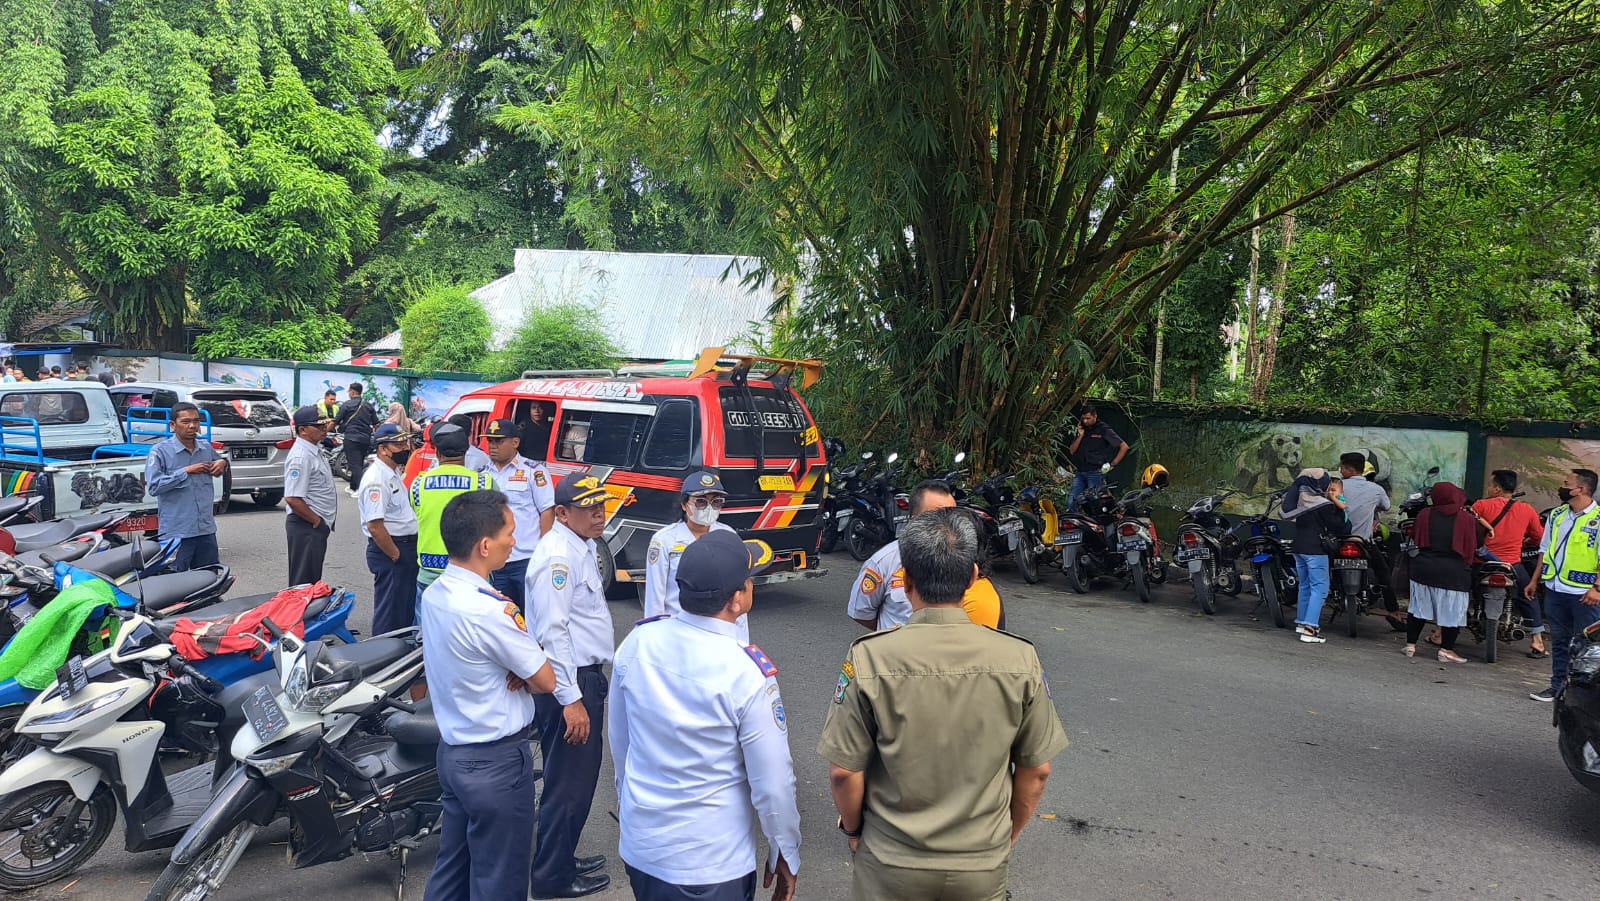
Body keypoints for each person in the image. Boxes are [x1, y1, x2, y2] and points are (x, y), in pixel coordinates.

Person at [819, 508, 1068, 901]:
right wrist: (1003, 840)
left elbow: (843, 773)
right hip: (980, 865)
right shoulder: (1019, 659)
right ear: (972, 578)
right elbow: (1037, 771)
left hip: (891, 862)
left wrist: (853, 832)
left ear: (906, 583)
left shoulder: (869, 659)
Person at [610, 531, 801, 901]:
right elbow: (774, 782)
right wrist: (785, 850)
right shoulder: (746, 673)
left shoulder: (638, 642)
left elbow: (622, 746)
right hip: (711, 861)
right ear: (736, 599)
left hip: (643, 847)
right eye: (749, 579)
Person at [419, 490, 558, 901]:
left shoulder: (437, 593)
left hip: (455, 753)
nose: (514, 541)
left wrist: (516, 669)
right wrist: (520, 669)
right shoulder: (489, 610)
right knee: (499, 881)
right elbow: (545, 679)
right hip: (496, 763)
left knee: (453, 868)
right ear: (484, 545)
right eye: (509, 533)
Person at [526, 473, 616, 898]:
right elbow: (552, 633)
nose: (599, 513)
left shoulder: (579, 545)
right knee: (569, 784)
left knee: (577, 780)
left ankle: (559, 858)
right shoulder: (557, 557)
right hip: (572, 681)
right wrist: (571, 700)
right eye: (588, 507)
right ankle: (551, 878)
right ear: (561, 513)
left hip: (582, 678)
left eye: (601, 504)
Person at [847, 480, 1004, 630]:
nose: (946, 523)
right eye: (935, 517)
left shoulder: (964, 558)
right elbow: (862, 612)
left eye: (951, 515)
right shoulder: (884, 562)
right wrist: (895, 636)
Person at [1526, 469, 1600, 702]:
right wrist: (1535, 579)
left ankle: (1585, 696)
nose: (1563, 486)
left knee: (1587, 647)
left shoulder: (1598, 519)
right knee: (1559, 642)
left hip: (1585, 595)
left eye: (1567, 483)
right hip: (1555, 589)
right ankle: (1558, 688)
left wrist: (1597, 588)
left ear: (1582, 489)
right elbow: (1544, 550)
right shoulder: (1557, 515)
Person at [642, 471, 743, 638]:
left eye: (716, 502)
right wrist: (652, 638)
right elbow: (655, 596)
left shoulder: (729, 536)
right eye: (701, 502)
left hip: (719, 632)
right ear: (684, 505)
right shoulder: (664, 540)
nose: (709, 508)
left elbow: (738, 592)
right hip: (678, 631)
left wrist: (742, 640)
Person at [410, 423, 495, 600]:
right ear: (465, 452)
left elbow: (418, 514)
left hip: (429, 575)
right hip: (472, 575)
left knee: (427, 627)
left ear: (438, 453)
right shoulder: (484, 483)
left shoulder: (418, 484)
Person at [1402, 482, 1479, 664]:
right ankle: (1446, 650)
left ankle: (1410, 646)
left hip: (1424, 568)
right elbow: (1472, 547)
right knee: (1453, 612)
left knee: (1418, 609)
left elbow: (1418, 540)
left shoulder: (1425, 514)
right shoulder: (1466, 518)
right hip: (1453, 571)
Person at [144, 402, 227, 571]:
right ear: (173, 425)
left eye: (196, 421)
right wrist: (185, 471)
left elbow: (219, 465)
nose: (192, 426)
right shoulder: (160, 452)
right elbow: (154, 487)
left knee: (208, 580)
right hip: (177, 533)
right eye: (186, 421)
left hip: (205, 530)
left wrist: (222, 462)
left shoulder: (205, 447)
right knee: (175, 582)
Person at [483, 418, 555, 611]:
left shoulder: (533, 471)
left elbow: (546, 510)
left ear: (515, 442)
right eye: (490, 441)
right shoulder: (482, 474)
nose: (492, 446)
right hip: (494, 560)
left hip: (526, 559)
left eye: (498, 441)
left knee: (532, 616)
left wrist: (544, 551)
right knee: (501, 617)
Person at [1472, 469, 1546, 656]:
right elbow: (1539, 538)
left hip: (1481, 563)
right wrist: (1524, 541)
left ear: (1497, 488)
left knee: (1461, 591)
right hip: (1512, 564)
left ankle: (1442, 632)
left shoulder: (1480, 506)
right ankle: (1537, 640)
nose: (1488, 488)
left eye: (1490, 485)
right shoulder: (1526, 510)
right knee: (1528, 595)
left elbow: (1469, 529)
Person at [359, 424, 421, 635]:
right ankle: (383, 657)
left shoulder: (391, 473)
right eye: (398, 444)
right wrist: (395, 555)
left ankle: (399, 657)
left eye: (405, 442)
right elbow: (375, 526)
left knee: (403, 609)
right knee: (390, 612)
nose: (405, 447)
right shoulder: (377, 478)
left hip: (403, 547)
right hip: (392, 549)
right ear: (383, 449)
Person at [1282, 468, 1350, 644]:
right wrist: (1339, 506)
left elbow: (1286, 511)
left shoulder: (1301, 502)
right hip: (1315, 550)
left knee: (1305, 586)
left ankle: (1301, 622)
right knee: (1319, 588)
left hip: (1299, 548)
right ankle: (1310, 629)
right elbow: (1342, 527)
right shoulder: (1324, 505)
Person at [1337, 451, 1403, 629]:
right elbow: (1386, 506)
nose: (1340, 470)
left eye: (1342, 467)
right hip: (1363, 542)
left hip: (1337, 541)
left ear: (1349, 469)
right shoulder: (1376, 489)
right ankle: (1394, 612)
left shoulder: (1336, 486)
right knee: (1384, 574)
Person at [283, 405, 339, 586]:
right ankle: (298, 615)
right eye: (318, 426)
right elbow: (292, 498)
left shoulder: (313, 449)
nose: (324, 429)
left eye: (325, 424)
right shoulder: (301, 457)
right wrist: (316, 521)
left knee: (311, 580)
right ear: (303, 430)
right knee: (303, 584)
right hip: (306, 524)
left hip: (313, 524)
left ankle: (306, 614)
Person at [1065, 403, 1128, 513]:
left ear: (1095, 416)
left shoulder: (1103, 429)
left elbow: (1124, 446)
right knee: (1072, 501)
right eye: (1083, 419)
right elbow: (1072, 450)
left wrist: (1112, 464)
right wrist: (1080, 435)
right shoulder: (1082, 429)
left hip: (1095, 472)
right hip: (1080, 472)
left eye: (1088, 418)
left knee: (1094, 503)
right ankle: (1074, 526)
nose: (1085, 421)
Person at [334, 382, 378, 493]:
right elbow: (376, 424)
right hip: (365, 439)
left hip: (351, 438)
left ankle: (361, 489)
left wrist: (325, 430)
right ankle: (353, 487)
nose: (348, 393)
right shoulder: (368, 405)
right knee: (357, 463)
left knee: (354, 464)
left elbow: (336, 421)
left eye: (349, 391)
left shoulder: (346, 405)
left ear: (352, 391)